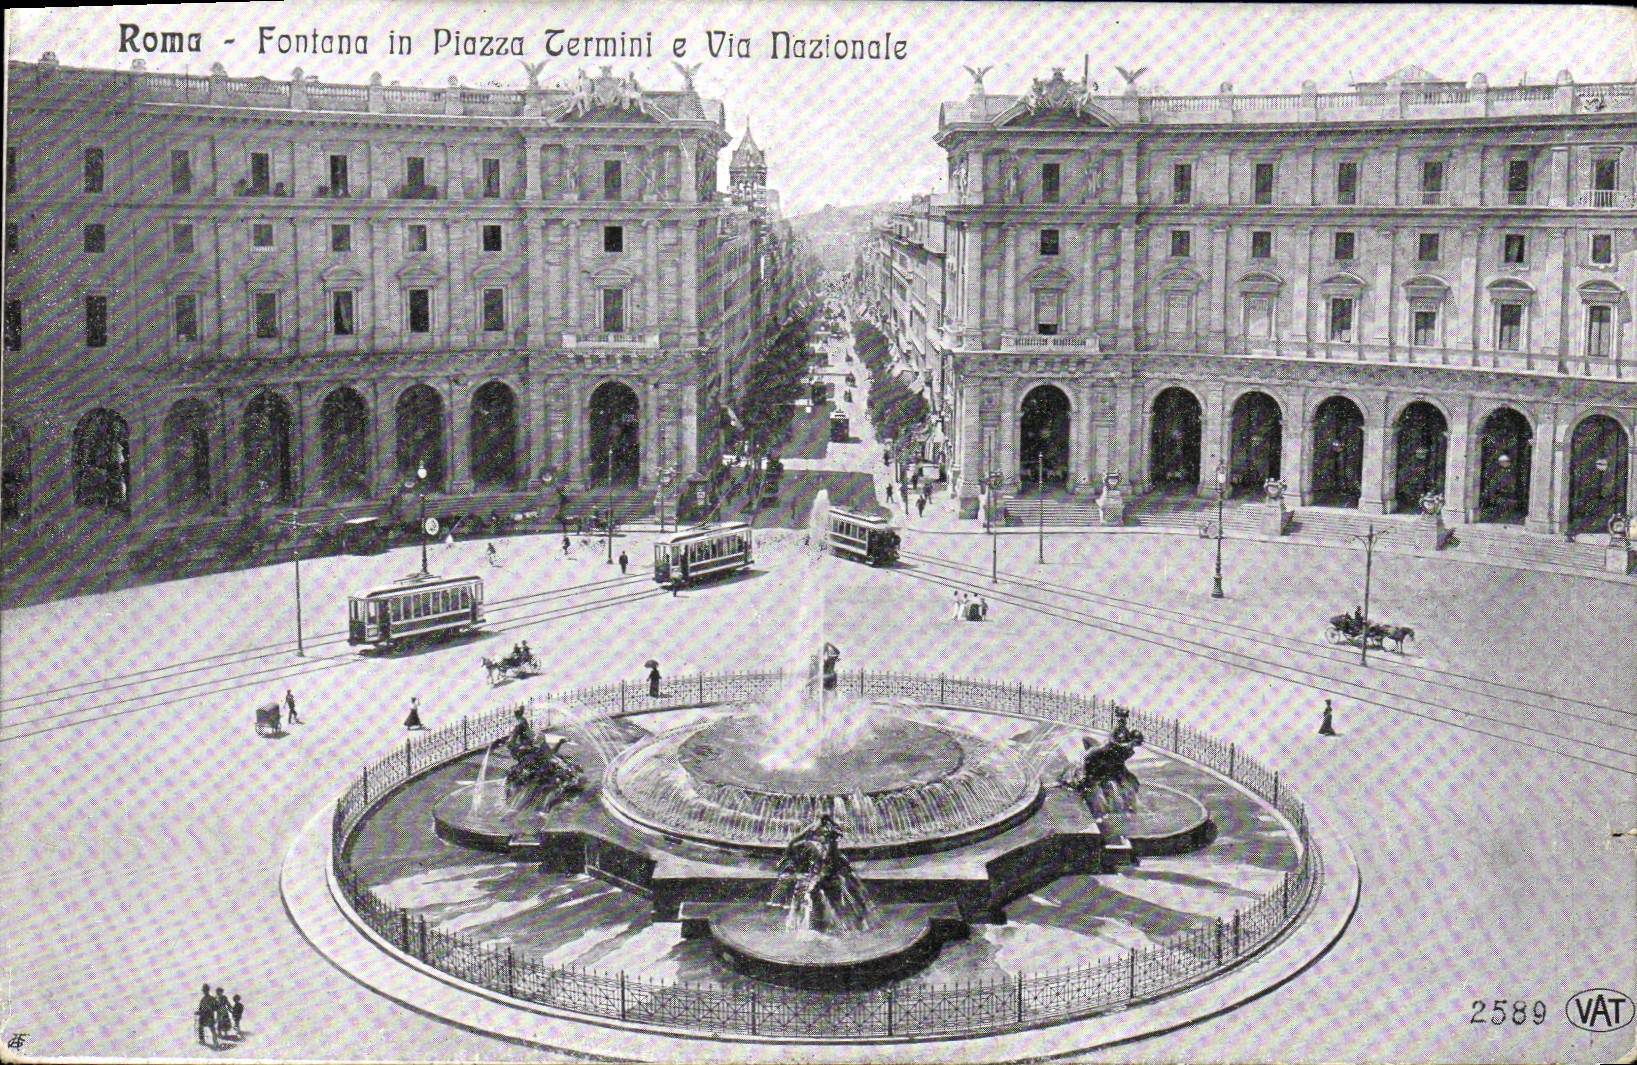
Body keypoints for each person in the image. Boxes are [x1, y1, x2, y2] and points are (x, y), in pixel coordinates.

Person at [196, 984, 218, 1048]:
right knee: (200, 1028)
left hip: (209, 1017)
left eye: (205, 990)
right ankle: (202, 1040)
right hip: (203, 1017)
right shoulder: (202, 999)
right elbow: (200, 1008)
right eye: (204, 990)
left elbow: (217, 1007)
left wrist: (210, 1008)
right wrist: (198, 1012)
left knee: (212, 1029)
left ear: (208, 990)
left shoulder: (212, 998)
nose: (204, 991)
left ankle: (215, 1043)